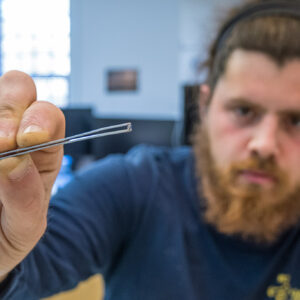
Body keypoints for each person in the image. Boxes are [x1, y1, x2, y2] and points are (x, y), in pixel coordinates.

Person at [0, 0, 300, 299]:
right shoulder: (134, 186)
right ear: (205, 105)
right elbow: (31, 264)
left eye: (296, 121)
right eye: (244, 111)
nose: (265, 144)